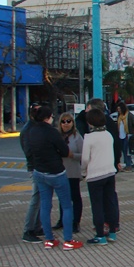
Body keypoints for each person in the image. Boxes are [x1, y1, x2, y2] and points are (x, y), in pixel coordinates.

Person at [27, 106, 83, 251]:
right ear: (48, 118)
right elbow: (64, 150)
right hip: (56, 172)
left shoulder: (32, 131)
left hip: (39, 172)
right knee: (66, 205)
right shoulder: (52, 133)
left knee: (45, 205)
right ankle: (68, 239)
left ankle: (49, 239)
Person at [75, 98, 122, 234]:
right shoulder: (108, 134)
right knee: (110, 198)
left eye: (88, 109)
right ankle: (113, 228)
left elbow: (84, 159)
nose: (85, 112)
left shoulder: (90, 137)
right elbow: (117, 144)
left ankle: (100, 232)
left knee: (98, 203)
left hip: (95, 173)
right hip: (109, 170)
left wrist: (83, 172)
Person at [52, 112, 83, 233]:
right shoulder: (57, 136)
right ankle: (63, 220)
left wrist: (72, 155)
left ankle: (76, 222)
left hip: (73, 171)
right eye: (63, 121)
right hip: (60, 171)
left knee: (75, 197)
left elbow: (83, 154)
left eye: (68, 121)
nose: (66, 124)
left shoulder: (77, 136)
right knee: (62, 197)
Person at [20, 103, 43, 243]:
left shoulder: (35, 127)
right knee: (36, 198)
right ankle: (28, 230)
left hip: (39, 166)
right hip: (35, 167)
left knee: (41, 198)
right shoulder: (29, 130)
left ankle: (36, 226)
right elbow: (29, 151)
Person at [116, 102, 134, 172]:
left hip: (127, 135)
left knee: (126, 151)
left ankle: (128, 165)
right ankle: (126, 164)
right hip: (120, 135)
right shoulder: (119, 116)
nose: (118, 110)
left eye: (119, 109)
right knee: (122, 150)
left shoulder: (129, 115)